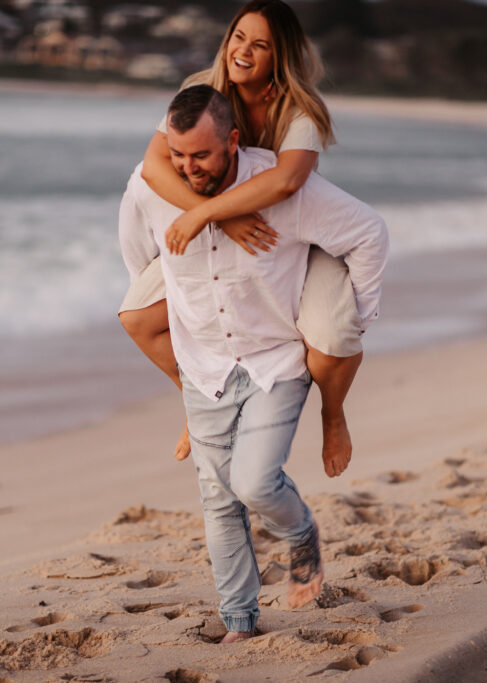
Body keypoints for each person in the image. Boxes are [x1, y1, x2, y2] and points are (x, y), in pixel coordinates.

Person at [118, 85, 387, 642]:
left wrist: (354, 315)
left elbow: (368, 232)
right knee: (218, 503)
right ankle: (239, 620)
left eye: (202, 156)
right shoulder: (152, 188)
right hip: (204, 368)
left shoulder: (285, 190)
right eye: (178, 155)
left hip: (273, 363)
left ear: (233, 141)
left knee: (255, 483)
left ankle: (303, 533)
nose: (188, 168)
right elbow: (139, 258)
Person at [118, 0, 363, 481]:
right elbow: (153, 167)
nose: (244, 51)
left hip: (293, 239)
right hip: (227, 238)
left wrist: (209, 213)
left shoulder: (299, 112)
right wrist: (218, 218)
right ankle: (197, 401)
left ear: (280, 56)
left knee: (332, 341)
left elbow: (286, 182)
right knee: (139, 319)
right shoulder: (198, 90)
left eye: (261, 44)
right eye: (238, 37)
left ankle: (332, 415)